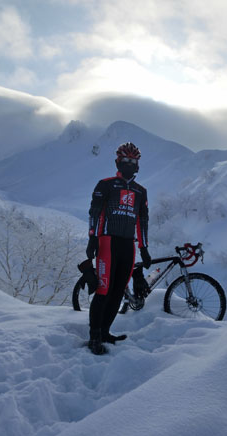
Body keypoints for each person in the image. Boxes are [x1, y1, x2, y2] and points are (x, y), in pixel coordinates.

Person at [86, 142, 152, 355]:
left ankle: (105, 332)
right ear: (118, 162)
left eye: (133, 162)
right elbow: (94, 213)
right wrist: (92, 238)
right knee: (103, 290)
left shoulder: (141, 192)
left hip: (128, 246)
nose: (129, 164)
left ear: (138, 165)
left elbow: (142, 221)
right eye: (125, 161)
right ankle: (94, 337)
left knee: (117, 293)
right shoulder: (105, 185)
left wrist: (144, 248)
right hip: (107, 242)